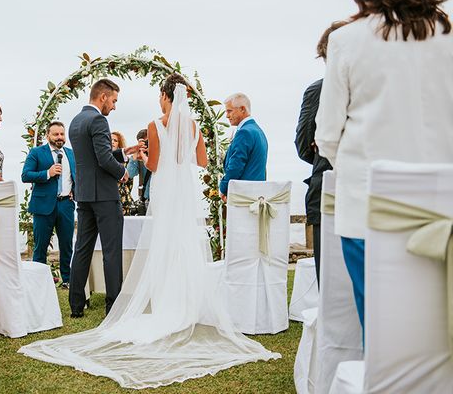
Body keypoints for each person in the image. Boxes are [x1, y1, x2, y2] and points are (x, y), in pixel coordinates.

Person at [20, 73, 279, 389]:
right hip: (183, 197)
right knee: (182, 244)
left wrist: (144, 156)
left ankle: (99, 303)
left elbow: (154, 165)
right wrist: (147, 165)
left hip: (140, 195)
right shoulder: (193, 126)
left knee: (136, 246)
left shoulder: (148, 124)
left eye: (160, 95)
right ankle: (186, 305)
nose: (158, 101)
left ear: (166, 95)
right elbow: (201, 161)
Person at [315, 0, 453, 334]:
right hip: (444, 209)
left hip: (370, 211)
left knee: (382, 334)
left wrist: (357, 169)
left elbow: (326, 135)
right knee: (437, 332)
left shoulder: (346, 40)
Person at [66, 79, 138, 317]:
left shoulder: (76, 121)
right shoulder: (99, 120)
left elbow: (92, 155)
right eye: (114, 100)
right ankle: (113, 306)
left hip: (85, 195)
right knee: (111, 251)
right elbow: (104, 160)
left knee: (82, 249)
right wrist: (123, 171)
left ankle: (76, 305)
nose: (114, 106)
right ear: (103, 96)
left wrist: (123, 152)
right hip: (105, 197)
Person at [295, 20, 348, 286]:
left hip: (329, 187)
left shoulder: (318, 90)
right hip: (370, 192)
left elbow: (303, 143)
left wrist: (321, 153)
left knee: (329, 281)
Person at [22, 121, 76, 288]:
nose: (60, 137)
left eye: (62, 134)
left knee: (67, 244)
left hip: (66, 204)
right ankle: (39, 282)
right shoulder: (37, 152)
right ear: (47, 136)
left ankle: (67, 280)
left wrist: (75, 190)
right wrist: (48, 173)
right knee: (40, 245)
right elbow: (26, 175)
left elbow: (77, 174)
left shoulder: (71, 153)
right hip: (43, 206)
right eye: (56, 134)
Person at [219, 93, 268, 200]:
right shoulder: (258, 131)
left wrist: (223, 188)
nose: (227, 115)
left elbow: (235, 166)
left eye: (229, 111)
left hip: (244, 196)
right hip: (257, 194)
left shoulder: (245, 132)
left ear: (242, 109)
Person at [126, 129, 152, 210]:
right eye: (143, 143)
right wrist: (136, 153)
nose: (146, 144)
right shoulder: (138, 157)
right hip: (146, 197)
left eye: (147, 141)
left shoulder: (161, 154)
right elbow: (130, 174)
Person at [111, 131, 134, 214]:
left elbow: (130, 182)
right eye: (110, 140)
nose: (112, 142)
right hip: (108, 200)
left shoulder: (126, 161)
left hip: (124, 200)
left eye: (115, 140)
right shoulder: (102, 161)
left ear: (119, 144)